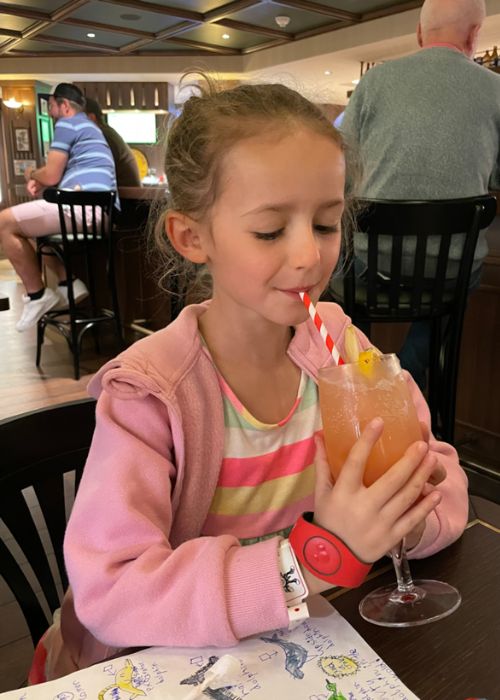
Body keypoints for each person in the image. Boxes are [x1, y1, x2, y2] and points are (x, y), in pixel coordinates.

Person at [30, 76, 468, 683]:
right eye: (269, 231)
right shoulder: (152, 393)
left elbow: (439, 470)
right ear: (192, 237)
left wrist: (406, 521)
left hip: (305, 651)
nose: (308, 257)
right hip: (154, 668)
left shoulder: (343, 350)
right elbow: (111, 591)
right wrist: (314, 559)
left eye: (325, 224)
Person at [337, 0, 500, 389]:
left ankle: (369, 379)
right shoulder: (496, 90)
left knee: (337, 277)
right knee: (450, 286)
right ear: (475, 35)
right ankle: (406, 377)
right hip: (451, 271)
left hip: (369, 265)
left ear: (419, 32)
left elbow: (340, 168)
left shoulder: (374, 82)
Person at [0, 83, 117, 332]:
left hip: (82, 210)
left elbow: (52, 174)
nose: (51, 114)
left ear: (64, 105)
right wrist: (45, 183)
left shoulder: (69, 123)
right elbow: (66, 177)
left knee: (4, 221)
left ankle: (36, 295)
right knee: (28, 228)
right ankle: (68, 283)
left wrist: (32, 173)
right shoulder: (91, 128)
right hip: (101, 211)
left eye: (51, 107)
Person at [84, 97, 142, 187]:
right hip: (123, 197)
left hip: (125, 199)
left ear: (91, 118)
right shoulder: (105, 133)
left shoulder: (102, 137)